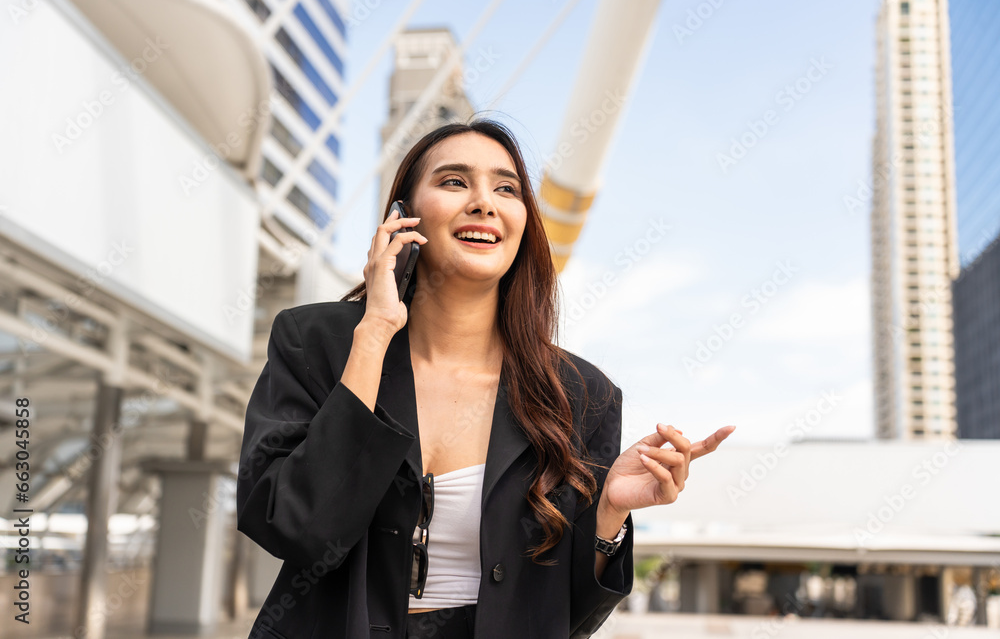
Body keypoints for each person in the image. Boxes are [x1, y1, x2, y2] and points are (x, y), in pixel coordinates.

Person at [236, 118, 735, 638]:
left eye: (506, 188)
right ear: (402, 217)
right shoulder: (314, 341)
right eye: (454, 182)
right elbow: (294, 530)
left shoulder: (582, 393)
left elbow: (568, 618)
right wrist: (375, 330)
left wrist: (608, 514)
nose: (484, 202)